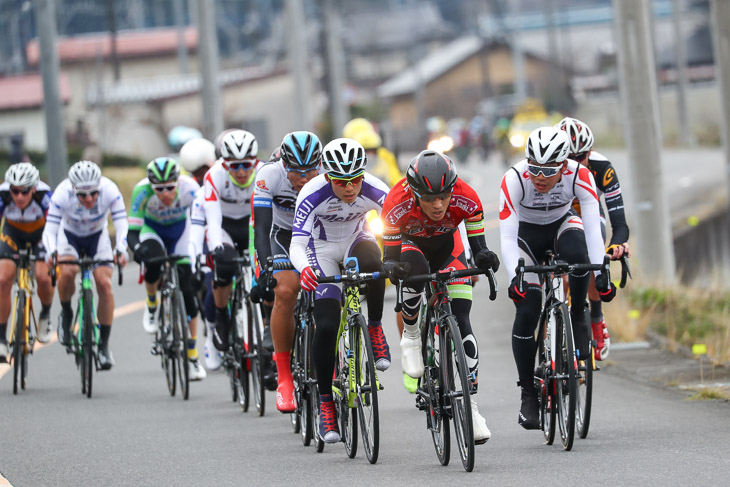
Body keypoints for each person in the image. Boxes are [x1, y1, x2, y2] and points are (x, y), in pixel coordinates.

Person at [498, 127, 616, 430]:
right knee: (528, 307)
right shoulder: (514, 179)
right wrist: (515, 277)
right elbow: (508, 238)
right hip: (525, 237)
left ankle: (577, 313)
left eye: (547, 171)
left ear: (564, 166)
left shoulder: (580, 175)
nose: (539, 177)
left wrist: (601, 270)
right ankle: (528, 392)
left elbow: (592, 229)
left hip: (562, 225)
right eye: (534, 168)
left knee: (579, 255)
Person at [380, 150, 500, 444]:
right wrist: (393, 268)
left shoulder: (467, 197)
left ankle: (471, 409)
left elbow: (478, 245)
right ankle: (410, 336)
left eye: (443, 196)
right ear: (414, 192)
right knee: (414, 269)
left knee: (461, 319)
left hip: (449, 248)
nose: (438, 204)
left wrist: (484, 257)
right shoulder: (396, 203)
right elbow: (390, 259)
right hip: (411, 246)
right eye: (429, 198)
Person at [290, 138, 391, 443]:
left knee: (377, 262)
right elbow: (297, 244)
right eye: (342, 182)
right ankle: (325, 404)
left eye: (355, 180)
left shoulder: (374, 187)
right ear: (328, 176)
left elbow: (402, 222)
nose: (350, 188)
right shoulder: (312, 193)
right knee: (328, 325)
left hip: (354, 240)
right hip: (319, 251)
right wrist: (304, 270)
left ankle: (374, 328)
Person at [252, 131, 322, 413]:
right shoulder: (269, 175)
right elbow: (260, 228)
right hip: (282, 235)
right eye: (296, 171)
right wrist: (266, 268)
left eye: (310, 170)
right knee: (285, 290)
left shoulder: (329, 172)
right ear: (284, 164)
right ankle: (284, 377)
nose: (304, 178)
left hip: (319, 236)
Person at [42, 161, 128, 370]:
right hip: (69, 236)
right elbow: (50, 230)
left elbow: (121, 223)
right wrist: (52, 252)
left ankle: (104, 346)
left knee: (104, 284)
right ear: (73, 190)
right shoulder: (62, 193)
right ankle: (67, 312)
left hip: (97, 237)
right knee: (68, 271)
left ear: (99, 187)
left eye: (93, 194)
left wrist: (122, 248)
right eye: (83, 195)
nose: (89, 199)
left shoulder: (109, 189)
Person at [556, 117, 630, 361]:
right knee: (557, 271)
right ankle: (552, 333)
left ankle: (596, 318)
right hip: (558, 215)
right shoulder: (550, 170)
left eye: (581, 157)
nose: (576, 163)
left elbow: (618, 222)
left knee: (590, 255)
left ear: (591, 152)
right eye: (569, 158)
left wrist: (616, 245)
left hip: (589, 212)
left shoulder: (603, 168)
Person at [128, 157, 206, 380]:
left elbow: (203, 221)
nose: (164, 193)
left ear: (178, 183)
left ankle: (192, 355)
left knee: (189, 294)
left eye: (169, 188)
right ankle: (152, 305)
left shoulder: (190, 189)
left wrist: (200, 253)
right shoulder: (141, 192)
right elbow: (132, 232)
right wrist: (137, 249)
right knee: (152, 263)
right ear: (151, 186)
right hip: (152, 230)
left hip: (181, 231)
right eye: (159, 189)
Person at [202, 129, 260, 351]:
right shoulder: (214, 175)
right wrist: (216, 247)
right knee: (224, 266)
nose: (242, 171)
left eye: (247, 164)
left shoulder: (264, 172)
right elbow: (212, 218)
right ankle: (221, 318)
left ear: (255, 161)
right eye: (234, 166)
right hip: (224, 226)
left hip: (252, 226)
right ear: (224, 164)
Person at [0, 163, 54, 362]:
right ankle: (2, 339)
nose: (19, 196)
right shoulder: (3, 196)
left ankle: (45, 315)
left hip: (41, 236)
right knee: (3, 279)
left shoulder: (45, 196)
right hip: (12, 235)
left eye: (24, 191)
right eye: (15, 191)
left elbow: (56, 225)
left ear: (33, 188)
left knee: (43, 277)